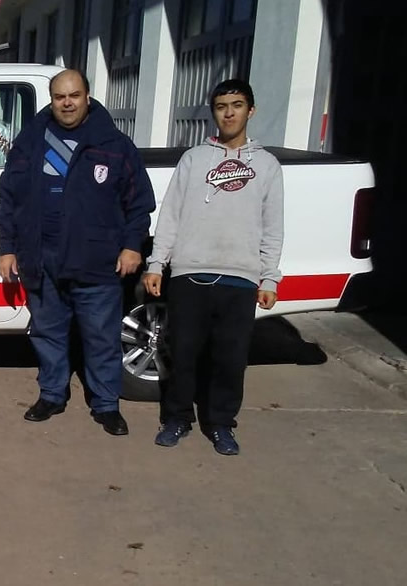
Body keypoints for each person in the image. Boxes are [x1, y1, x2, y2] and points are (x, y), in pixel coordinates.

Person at [0, 69, 156, 435]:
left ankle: (106, 404)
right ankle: (52, 394)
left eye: (74, 95)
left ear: (87, 96)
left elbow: (139, 203)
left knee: (100, 336)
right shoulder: (31, 141)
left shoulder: (113, 144)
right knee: (48, 333)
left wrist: (132, 245)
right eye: (59, 97)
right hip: (42, 257)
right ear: (51, 100)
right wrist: (8, 247)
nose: (67, 103)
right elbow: (9, 198)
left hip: (95, 260)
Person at [142, 79, 284, 456]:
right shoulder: (194, 159)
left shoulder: (267, 166)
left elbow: (273, 227)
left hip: (240, 277)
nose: (229, 113)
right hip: (190, 274)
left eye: (237, 105)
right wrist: (158, 263)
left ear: (250, 111)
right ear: (214, 112)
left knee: (230, 360)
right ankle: (176, 418)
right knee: (183, 353)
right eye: (221, 106)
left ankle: (220, 424)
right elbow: (170, 215)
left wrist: (269, 276)